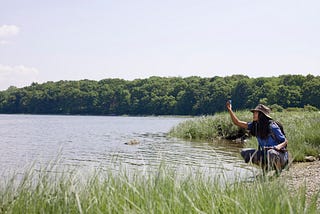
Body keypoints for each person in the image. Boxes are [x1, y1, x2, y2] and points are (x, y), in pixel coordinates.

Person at [226, 101, 288, 173]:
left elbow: (285, 141)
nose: (253, 114)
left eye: (256, 113)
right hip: (266, 155)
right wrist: (230, 109)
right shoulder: (255, 126)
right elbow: (237, 122)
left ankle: (279, 171)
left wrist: (277, 147)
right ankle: (266, 168)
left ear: (262, 115)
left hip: (279, 156)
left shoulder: (272, 126)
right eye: (254, 112)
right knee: (244, 153)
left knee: (271, 153)